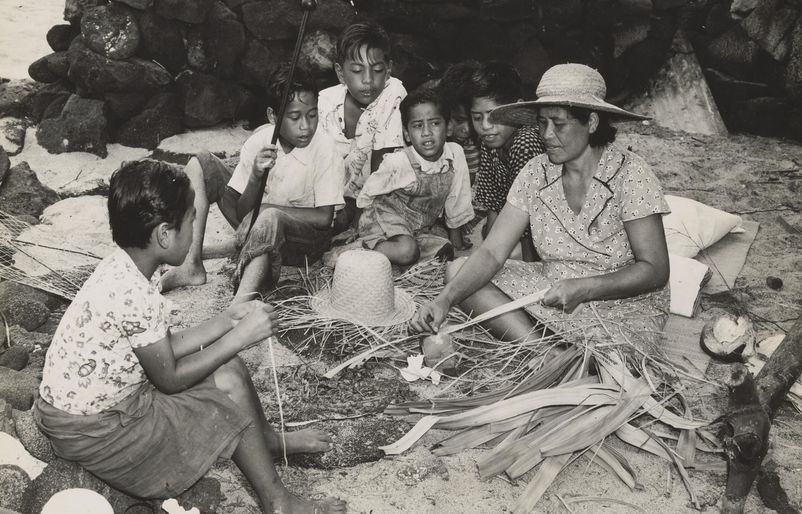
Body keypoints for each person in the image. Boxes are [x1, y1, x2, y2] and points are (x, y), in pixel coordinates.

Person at [34, 160, 347, 514]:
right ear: (165, 235)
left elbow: (163, 346)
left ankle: (268, 443)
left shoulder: (130, 267)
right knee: (223, 395)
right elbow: (169, 379)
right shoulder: (131, 293)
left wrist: (228, 320)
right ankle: (278, 503)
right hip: (99, 431)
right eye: (192, 219)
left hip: (96, 408)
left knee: (228, 366)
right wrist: (240, 337)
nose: (196, 225)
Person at [411, 63, 671, 354]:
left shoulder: (629, 173)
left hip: (622, 304)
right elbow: (492, 251)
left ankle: (574, 353)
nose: (546, 134)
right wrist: (443, 300)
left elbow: (655, 269)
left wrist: (586, 287)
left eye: (558, 124)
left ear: (593, 123)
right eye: (542, 123)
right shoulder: (537, 173)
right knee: (459, 272)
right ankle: (544, 352)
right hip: (554, 288)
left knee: (609, 356)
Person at [160, 65, 344, 302]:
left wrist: (268, 210)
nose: (306, 126)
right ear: (272, 116)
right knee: (202, 163)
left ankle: (239, 305)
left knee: (270, 218)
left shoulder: (325, 149)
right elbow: (242, 212)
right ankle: (191, 265)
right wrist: (255, 178)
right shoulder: (259, 142)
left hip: (305, 243)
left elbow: (324, 218)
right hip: (255, 226)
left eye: (312, 114)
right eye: (294, 117)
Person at [354, 86, 474, 265]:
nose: (426, 132)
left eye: (434, 123)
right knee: (407, 251)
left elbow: (457, 198)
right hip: (385, 220)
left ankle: (397, 257)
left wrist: (457, 244)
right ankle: (358, 250)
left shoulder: (455, 153)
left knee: (444, 250)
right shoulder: (398, 162)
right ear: (406, 134)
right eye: (418, 125)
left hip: (419, 228)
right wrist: (360, 229)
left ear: (449, 128)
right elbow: (367, 194)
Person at [317, 21, 407, 230]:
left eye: (377, 70)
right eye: (357, 70)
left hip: (374, 197)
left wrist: (359, 226)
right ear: (340, 73)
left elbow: (380, 170)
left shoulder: (393, 94)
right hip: (328, 198)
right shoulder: (326, 102)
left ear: (388, 69)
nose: (368, 80)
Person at [469, 62, 545, 260]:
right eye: (477, 118)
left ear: (516, 110)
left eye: (494, 117)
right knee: (487, 237)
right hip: (512, 219)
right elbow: (493, 202)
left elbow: (528, 215)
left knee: (507, 255)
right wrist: (486, 252)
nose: (485, 127)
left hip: (544, 226)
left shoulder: (525, 142)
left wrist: (529, 268)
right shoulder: (491, 140)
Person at [437, 61, 481, 182]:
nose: (467, 129)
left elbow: (468, 182)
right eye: (459, 120)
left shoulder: (474, 143)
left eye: (474, 119)